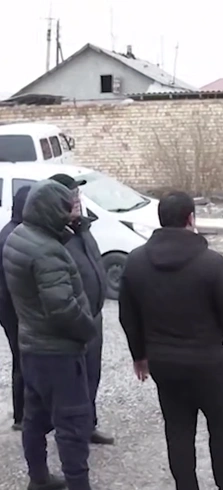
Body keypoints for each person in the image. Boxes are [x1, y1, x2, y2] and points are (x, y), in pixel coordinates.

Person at [118, 191, 223, 490]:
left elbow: (128, 315)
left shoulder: (136, 261)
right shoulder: (211, 263)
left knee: (177, 431)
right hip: (209, 365)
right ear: (191, 218)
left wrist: (139, 355)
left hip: (164, 365)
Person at [3, 179, 97, 490]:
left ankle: (39, 478)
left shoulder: (19, 236)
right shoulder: (47, 251)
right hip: (58, 353)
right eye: (66, 210)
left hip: (32, 346)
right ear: (50, 211)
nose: (70, 216)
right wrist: (87, 329)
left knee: (35, 418)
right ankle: (78, 484)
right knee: (72, 425)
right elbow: (61, 308)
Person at [49, 173, 114, 446]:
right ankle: (70, 435)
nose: (77, 200)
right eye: (71, 195)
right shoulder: (54, 238)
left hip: (93, 319)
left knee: (91, 377)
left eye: (77, 194)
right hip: (74, 325)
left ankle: (88, 425)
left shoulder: (81, 229)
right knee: (71, 384)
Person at [0, 185, 31, 432]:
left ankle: (24, 413)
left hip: (10, 306)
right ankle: (21, 416)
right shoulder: (12, 236)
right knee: (22, 359)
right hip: (12, 308)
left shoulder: (12, 231)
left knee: (22, 359)